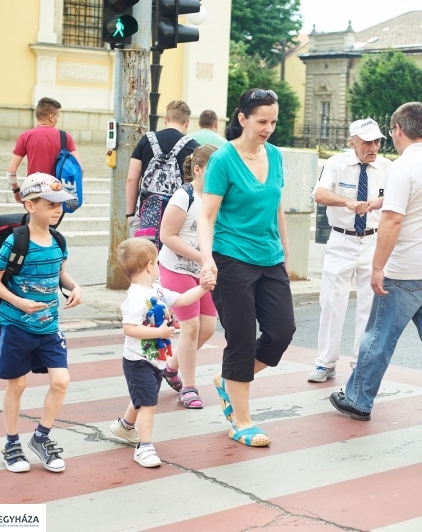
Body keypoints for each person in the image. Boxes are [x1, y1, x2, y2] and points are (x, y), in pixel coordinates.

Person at [329, 102, 422, 428]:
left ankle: (358, 400)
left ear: (398, 130)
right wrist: (380, 201)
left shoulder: (403, 167)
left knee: (378, 337)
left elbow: (392, 220)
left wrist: (378, 267)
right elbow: (421, 199)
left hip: (405, 269)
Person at [197, 88, 296, 448]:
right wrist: (207, 259)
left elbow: (277, 206)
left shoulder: (275, 156)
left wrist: (286, 252)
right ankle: (242, 421)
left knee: (281, 331)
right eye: (261, 121)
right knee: (240, 337)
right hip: (231, 257)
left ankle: (229, 379)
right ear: (242, 119)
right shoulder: (223, 159)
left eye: (273, 121)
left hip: (270, 257)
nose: (268, 128)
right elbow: (206, 216)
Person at [0, 173, 83, 473]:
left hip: (49, 327)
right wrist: (20, 302)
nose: (58, 209)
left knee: (61, 380)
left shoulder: (59, 240)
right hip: (16, 325)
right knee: (17, 385)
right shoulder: (15, 241)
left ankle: (41, 438)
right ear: (30, 205)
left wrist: (75, 286)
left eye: (60, 204)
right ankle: (11, 443)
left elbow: (59, 273)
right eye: (51, 204)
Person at [109, 238, 215, 467]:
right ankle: (144, 447)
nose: (159, 266)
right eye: (157, 262)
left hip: (156, 359)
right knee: (148, 403)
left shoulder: (156, 290)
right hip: (138, 361)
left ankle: (125, 426)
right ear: (149, 266)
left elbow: (182, 299)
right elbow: (129, 328)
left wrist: (202, 288)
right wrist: (159, 331)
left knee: (143, 396)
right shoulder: (136, 297)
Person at [308, 118, 392, 383]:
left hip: (373, 241)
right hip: (341, 240)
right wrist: (347, 202)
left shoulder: (387, 167)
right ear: (352, 142)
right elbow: (319, 194)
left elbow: (399, 197)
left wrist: (378, 202)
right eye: (366, 142)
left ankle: (360, 364)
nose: (373, 147)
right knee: (332, 302)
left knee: (369, 305)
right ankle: (326, 362)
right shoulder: (336, 164)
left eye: (377, 141)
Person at [158, 144, 219, 408]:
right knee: (190, 327)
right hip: (177, 268)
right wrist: (201, 257)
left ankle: (171, 367)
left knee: (208, 328)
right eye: (214, 170)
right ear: (198, 169)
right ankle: (189, 388)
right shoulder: (184, 196)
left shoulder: (218, 197)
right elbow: (166, 235)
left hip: (204, 270)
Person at [125, 100, 200, 233]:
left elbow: (132, 178)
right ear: (187, 123)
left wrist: (130, 215)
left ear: (165, 119)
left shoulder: (146, 140)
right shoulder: (193, 147)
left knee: (143, 247)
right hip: (179, 218)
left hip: (145, 215)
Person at [7, 97, 83, 205]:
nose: (57, 120)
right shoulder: (65, 137)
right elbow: (79, 168)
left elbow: (11, 171)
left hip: (34, 194)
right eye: (57, 117)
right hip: (57, 193)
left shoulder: (25, 136)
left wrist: (16, 191)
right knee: (54, 216)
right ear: (51, 117)